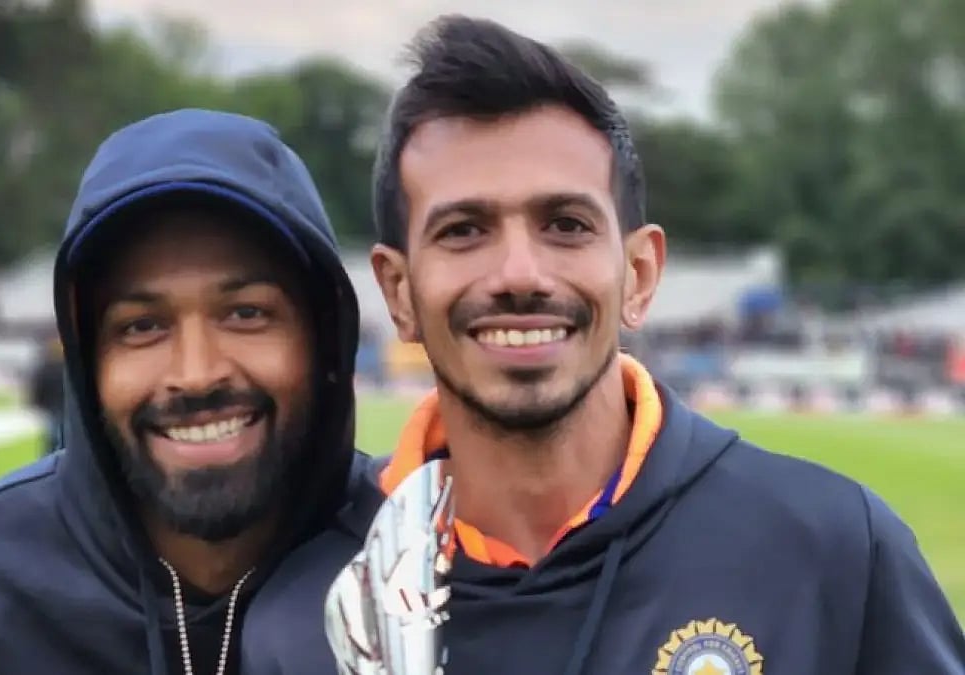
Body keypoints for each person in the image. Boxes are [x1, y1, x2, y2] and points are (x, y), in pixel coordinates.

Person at [241, 15, 965, 675]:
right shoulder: (307, 611)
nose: (519, 274)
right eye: (463, 229)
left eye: (565, 224)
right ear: (398, 292)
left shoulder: (833, 552)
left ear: (639, 274)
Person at [0, 108, 376, 675]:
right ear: (87, 359)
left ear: (324, 336)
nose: (198, 373)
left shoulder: (420, 576)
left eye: (246, 313)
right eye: (141, 326)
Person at [0, 296, 66, 455]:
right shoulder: (49, 335)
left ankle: (51, 463)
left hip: (58, 397)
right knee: (56, 435)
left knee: (57, 435)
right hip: (55, 398)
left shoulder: (60, 332)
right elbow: (0, 329)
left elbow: (1, 330)